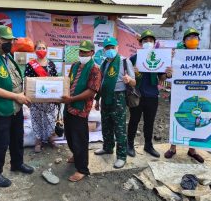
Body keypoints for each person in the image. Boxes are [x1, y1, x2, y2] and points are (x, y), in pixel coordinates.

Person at [164, 27, 211, 163]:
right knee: (179, 118)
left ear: (199, 41)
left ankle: (192, 150)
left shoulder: (205, 55)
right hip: (181, 95)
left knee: (196, 119)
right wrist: (169, 69)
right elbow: (168, 75)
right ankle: (173, 148)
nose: (192, 40)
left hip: (200, 94)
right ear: (184, 41)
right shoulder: (177, 55)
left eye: (195, 37)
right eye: (189, 38)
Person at [0, 25, 33, 188]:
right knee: (0, 142)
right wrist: (17, 96)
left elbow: (16, 81)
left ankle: (17, 163)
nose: (9, 43)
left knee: (17, 138)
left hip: (15, 107)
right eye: (5, 40)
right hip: (1, 110)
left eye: (11, 40)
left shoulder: (7, 56)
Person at [127, 30, 172, 158]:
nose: (148, 43)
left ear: (154, 43)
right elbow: (128, 78)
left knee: (149, 121)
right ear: (141, 43)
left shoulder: (158, 57)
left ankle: (148, 145)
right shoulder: (134, 58)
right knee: (134, 120)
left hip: (152, 95)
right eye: (145, 41)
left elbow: (161, 78)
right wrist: (133, 72)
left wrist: (168, 74)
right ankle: (129, 144)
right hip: (137, 95)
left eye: (150, 41)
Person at [61, 40, 102, 182]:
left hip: (81, 109)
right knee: (69, 135)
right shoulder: (75, 65)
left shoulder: (94, 69)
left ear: (92, 52)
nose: (82, 54)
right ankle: (75, 154)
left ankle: (82, 169)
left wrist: (72, 99)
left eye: (85, 51)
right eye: (80, 51)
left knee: (80, 139)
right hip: (69, 106)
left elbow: (92, 91)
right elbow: (70, 83)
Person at [94, 37, 136, 169]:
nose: (110, 50)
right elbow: (102, 83)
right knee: (106, 125)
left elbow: (134, 82)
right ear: (104, 50)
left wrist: (129, 79)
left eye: (112, 47)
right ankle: (107, 147)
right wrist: (97, 100)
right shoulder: (104, 63)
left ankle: (122, 156)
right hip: (105, 97)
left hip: (119, 98)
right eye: (107, 48)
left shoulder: (124, 61)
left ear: (117, 47)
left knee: (119, 128)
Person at [25, 40, 58, 153]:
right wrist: (28, 98)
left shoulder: (51, 64)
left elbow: (56, 81)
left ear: (47, 50)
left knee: (50, 118)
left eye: (43, 48)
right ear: (35, 50)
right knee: (36, 118)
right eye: (39, 48)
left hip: (49, 98)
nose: (41, 50)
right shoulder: (30, 65)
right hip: (36, 98)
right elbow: (27, 82)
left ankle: (50, 137)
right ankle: (38, 139)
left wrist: (56, 96)